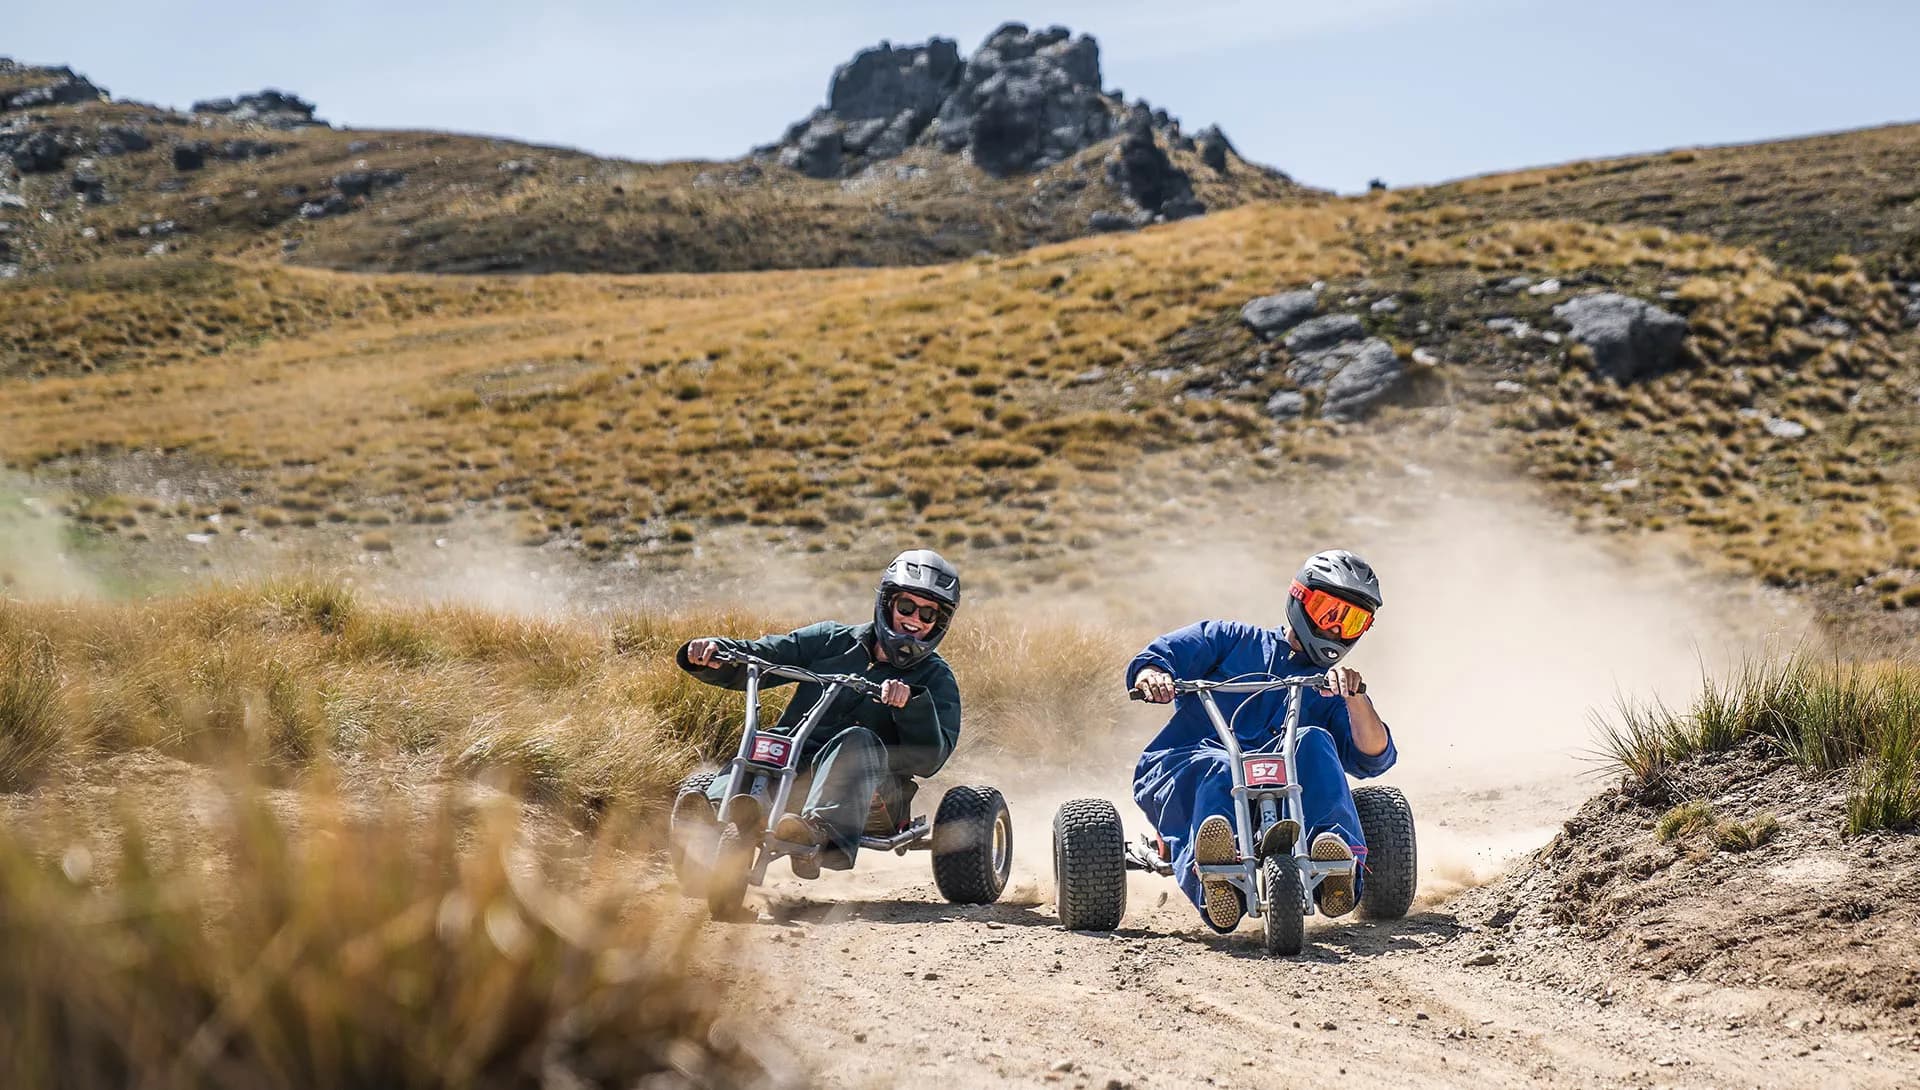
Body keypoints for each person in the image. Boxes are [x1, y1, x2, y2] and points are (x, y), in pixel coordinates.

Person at [1127, 549, 1395, 932]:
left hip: (1288, 791)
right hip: (1190, 764)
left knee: (1314, 741)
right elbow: (1161, 656)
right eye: (1328, 613)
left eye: (1351, 622)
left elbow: (1374, 757)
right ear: (1300, 598)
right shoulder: (1229, 640)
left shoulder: (1329, 686)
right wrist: (1153, 674)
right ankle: (1217, 882)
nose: (1336, 630)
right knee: (1220, 766)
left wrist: (1356, 698)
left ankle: (1336, 870)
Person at [677, 549, 963, 875]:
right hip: (793, 768)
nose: (914, 619)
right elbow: (763, 655)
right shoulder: (830, 640)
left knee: (856, 739)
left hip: (874, 790)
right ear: (888, 603)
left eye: (927, 615)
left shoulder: (936, 679)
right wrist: (713, 652)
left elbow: (929, 760)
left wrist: (910, 705)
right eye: (907, 606)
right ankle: (711, 815)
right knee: (769, 739)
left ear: (938, 623)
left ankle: (815, 834)